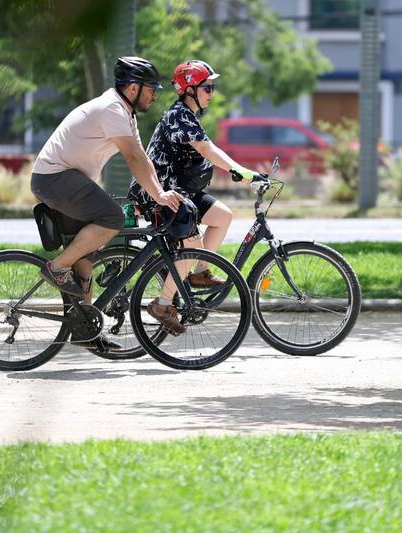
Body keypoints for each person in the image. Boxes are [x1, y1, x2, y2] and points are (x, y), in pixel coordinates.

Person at [31, 56, 184, 346]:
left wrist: (160, 193)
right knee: (112, 217)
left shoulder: (126, 113)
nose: (155, 94)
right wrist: (159, 196)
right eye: (151, 88)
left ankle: (84, 330)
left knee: (86, 257)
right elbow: (132, 158)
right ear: (131, 88)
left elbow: (142, 158)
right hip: (55, 178)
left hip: (68, 179)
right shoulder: (112, 108)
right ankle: (57, 268)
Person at [128, 59, 262, 335]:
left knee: (222, 216)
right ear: (190, 90)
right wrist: (240, 170)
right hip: (159, 194)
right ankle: (163, 303)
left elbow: (203, 153)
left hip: (182, 192)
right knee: (192, 242)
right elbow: (207, 149)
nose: (212, 93)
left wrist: (234, 171)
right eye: (208, 87)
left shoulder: (190, 115)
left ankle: (199, 272)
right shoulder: (178, 115)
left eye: (212, 87)